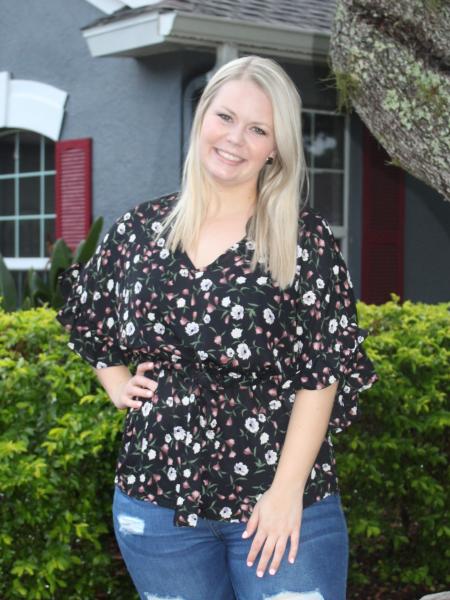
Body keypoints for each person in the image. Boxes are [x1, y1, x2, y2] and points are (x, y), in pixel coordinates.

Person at [56, 55, 378, 600]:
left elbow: (323, 373)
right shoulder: (142, 229)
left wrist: (285, 493)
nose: (236, 139)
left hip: (276, 503)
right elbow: (88, 312)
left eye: (258, 129)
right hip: (155, 504)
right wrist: (114, 381)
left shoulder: (304, 240)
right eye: (225, 117)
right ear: (202, 117)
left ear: (276, 147)